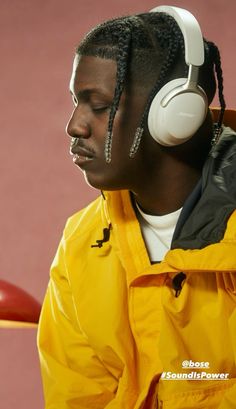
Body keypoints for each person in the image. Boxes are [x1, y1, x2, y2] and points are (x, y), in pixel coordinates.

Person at [37, 5, 236, 409]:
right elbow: (75, 397)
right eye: (77, 102)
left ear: (177, 113)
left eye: (99, 104)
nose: (74, 125)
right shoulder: (82, 243)